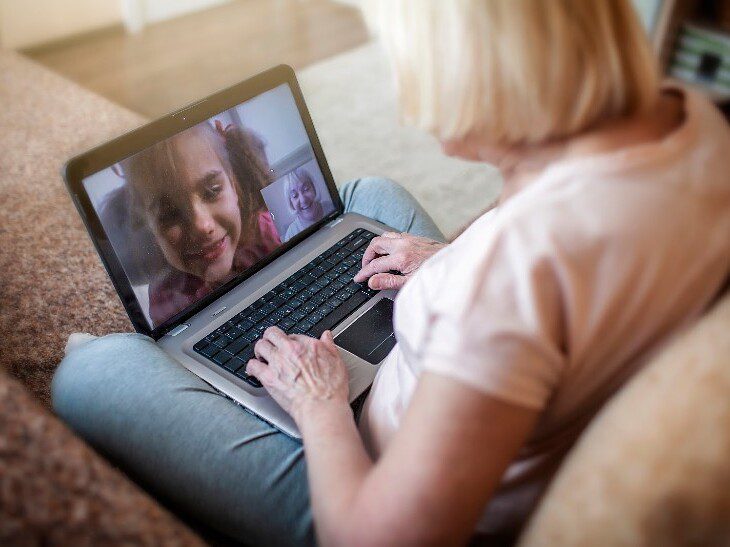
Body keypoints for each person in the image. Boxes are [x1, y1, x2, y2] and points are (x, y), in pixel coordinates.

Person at [52, 1, 730, 545]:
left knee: (91, 371)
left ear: (485, 64)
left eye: (409, 62)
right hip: (471, 377)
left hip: (372, 470)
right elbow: (527, 231)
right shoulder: (691, 118)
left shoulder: (510, 282)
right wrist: (453, 257)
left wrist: (319, 404)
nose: (406, 97)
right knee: (367, 195)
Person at [119, 120, 282, 326]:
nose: (202, 226)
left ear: (233, 186)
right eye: (169, 213)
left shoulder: (272, 232)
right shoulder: (166, 301)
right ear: (150, 228)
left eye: (212, 191)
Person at [282, 166, 326, 242]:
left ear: (314, 188)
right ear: (291, 203)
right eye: (295, 196)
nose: (303, 200)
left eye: (306, 189)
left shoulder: (333, 206)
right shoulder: (291, 234)